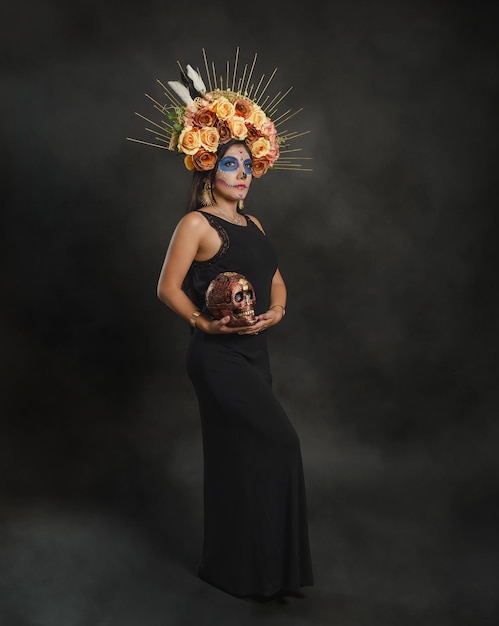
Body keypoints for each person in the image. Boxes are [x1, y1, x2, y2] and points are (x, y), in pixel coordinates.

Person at [130, 49, 314, 599]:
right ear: (209, 166)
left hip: (256, 355)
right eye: (231, 164)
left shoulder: (253, 221)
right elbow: (166, 287)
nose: (242, 174)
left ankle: (252, 572)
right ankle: (252, 568)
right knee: (281, 444)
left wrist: (277, 311)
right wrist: (205, 327)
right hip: (218, 358)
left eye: (248, 165)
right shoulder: (196, 222)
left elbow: (276, 279)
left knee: (246, 459)